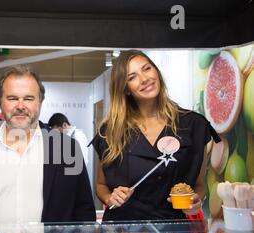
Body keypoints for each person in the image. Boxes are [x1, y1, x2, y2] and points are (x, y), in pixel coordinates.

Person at [91, 50, 220, 221]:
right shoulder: (110, 131)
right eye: (132, 77)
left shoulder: (193, 125)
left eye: (147, 69)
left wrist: (196, 201)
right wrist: (109, 197)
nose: (144, 79)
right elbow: (101, 185)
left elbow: (199, 185)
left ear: (156, 72)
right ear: (125, 89)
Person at [0, 65, 96, 224]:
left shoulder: (67, 150)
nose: (21, 106)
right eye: (13, 98)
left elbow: (84, 211)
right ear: (0, 102)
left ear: (40, 102)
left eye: (28, 98)